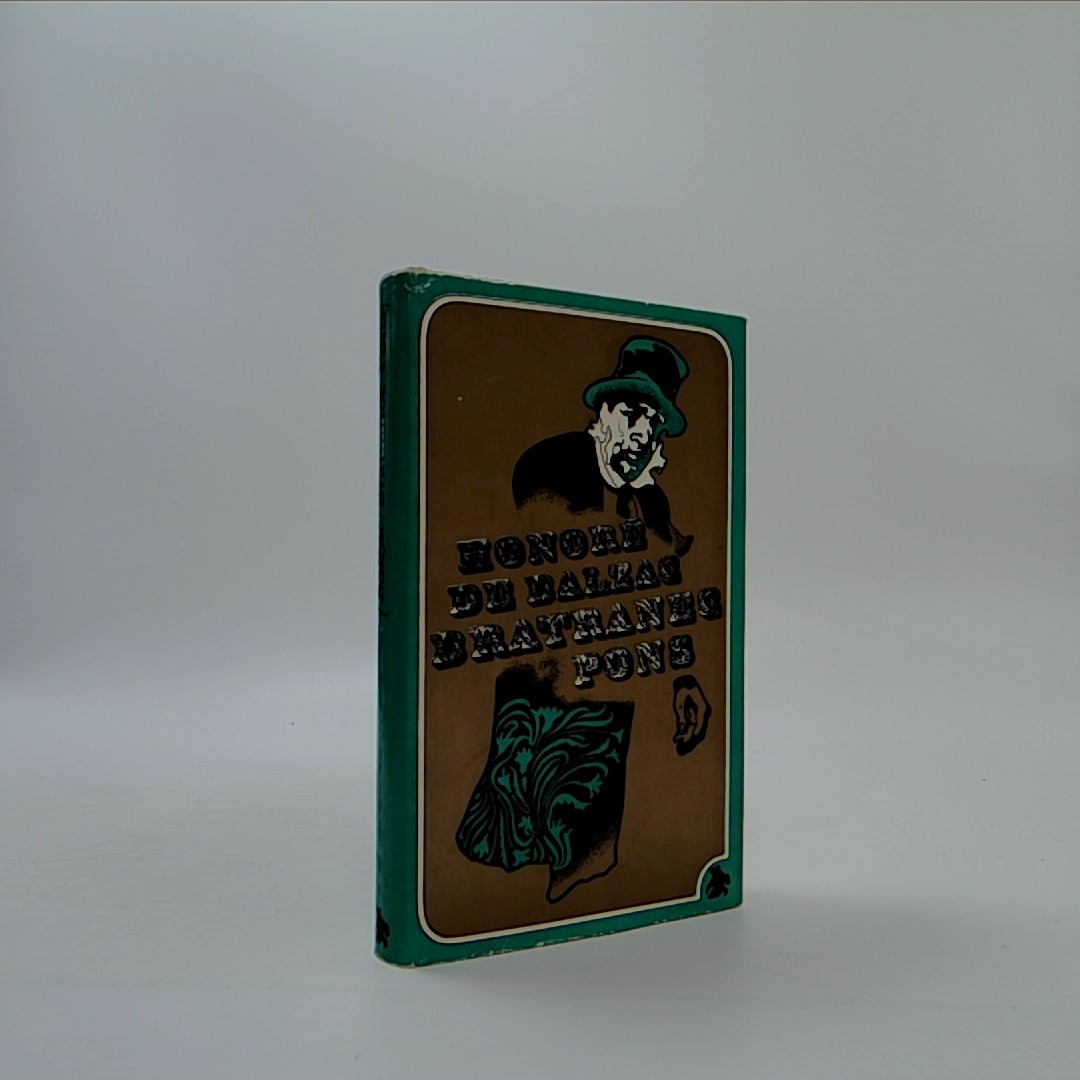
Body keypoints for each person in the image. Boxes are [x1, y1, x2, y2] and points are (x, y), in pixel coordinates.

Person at [512, 335, 694, 554]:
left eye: (655, 422)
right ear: (603, 410)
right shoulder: (546, 465)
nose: (644, 435)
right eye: (631, 414)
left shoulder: (652, 500)